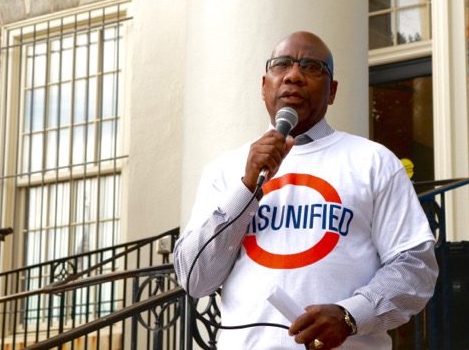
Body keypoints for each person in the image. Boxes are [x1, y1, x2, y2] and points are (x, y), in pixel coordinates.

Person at [173, 31, 438, 350]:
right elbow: (193, 278)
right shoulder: (224, 170)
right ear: (264, 85)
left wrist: (350, 316)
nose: (294, 75)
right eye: (281, 64)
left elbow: (415, 266)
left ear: (332, 92)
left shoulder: (373, 161)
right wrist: (246, 186)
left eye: (312, 67)